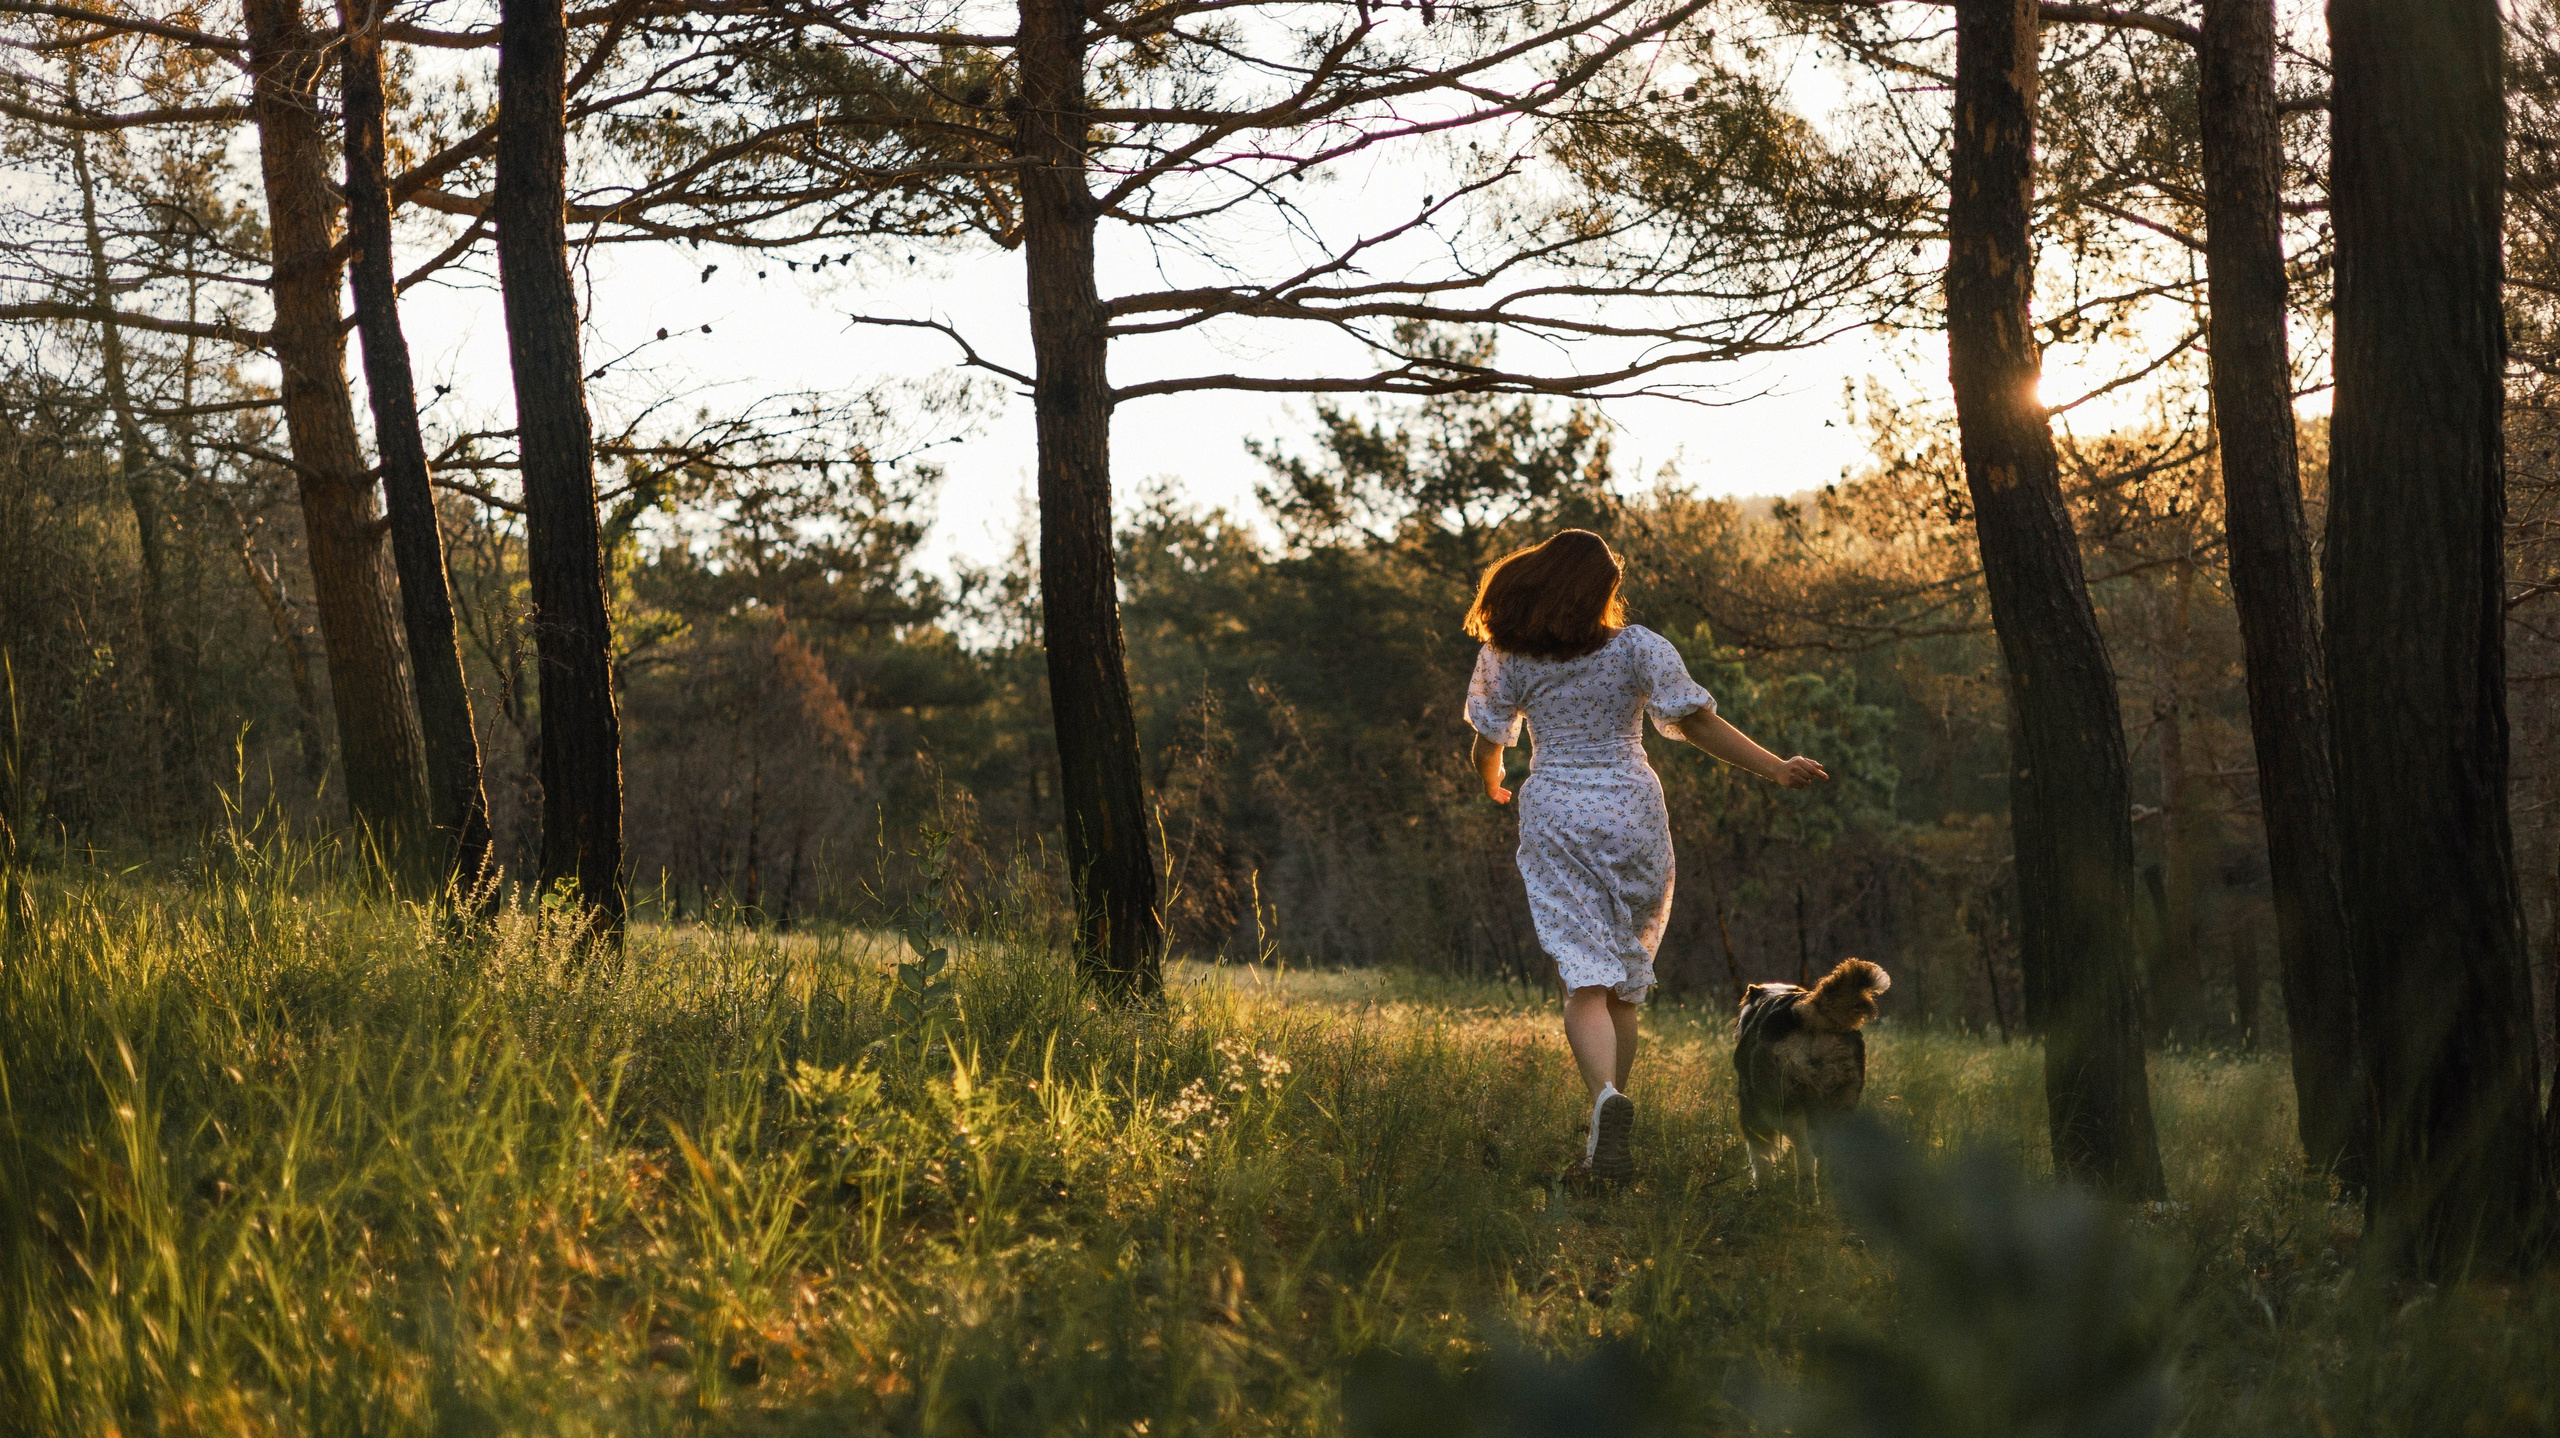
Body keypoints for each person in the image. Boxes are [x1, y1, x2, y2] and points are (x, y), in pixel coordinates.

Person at [1463, 529, 1828, 1181]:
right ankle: (1609, 1129)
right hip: (1632, 815)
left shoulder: (1508, 653)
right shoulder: (1639, 649)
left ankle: (1606, 1104)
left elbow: (1489, 737)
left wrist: (1490, 778)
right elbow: (1698, 722)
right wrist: (1775, 768)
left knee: (1584, 978)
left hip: (1559, 816)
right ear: (1601, 591)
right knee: (1623, 986)